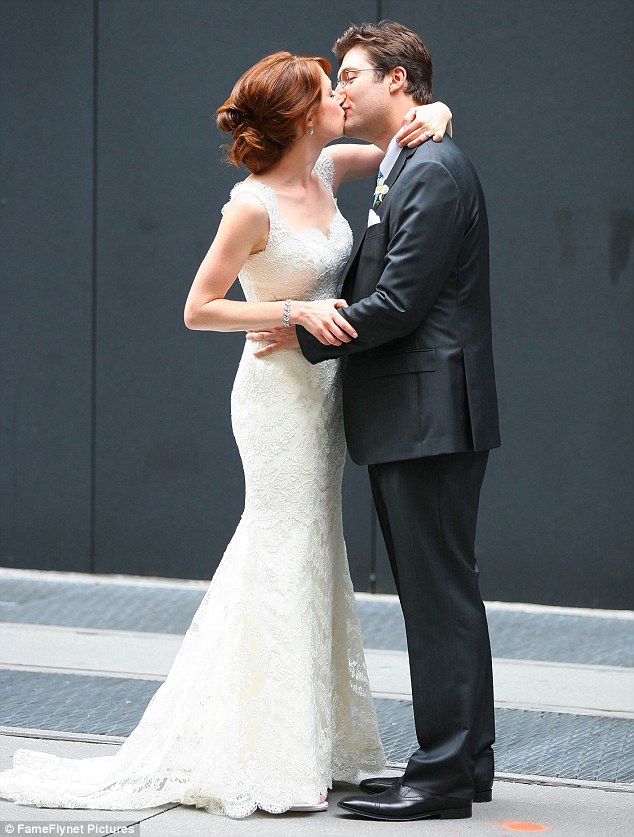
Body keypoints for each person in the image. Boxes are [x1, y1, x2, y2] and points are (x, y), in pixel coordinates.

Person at [0, 51, 452, 818]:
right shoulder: (250, 206)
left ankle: (316, 740)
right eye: (327, 88)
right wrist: (290, 311)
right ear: (306, 115)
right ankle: (272, 754)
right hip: (276, 396)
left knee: (317, 550)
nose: (342, 94)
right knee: (280, 546)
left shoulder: (330, 169)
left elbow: (405, 142)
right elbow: (198, 307)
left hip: (325, 394)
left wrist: (439, 114)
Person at [257, 21, 501, 823]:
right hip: (421, 412)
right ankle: (463, 763)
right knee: (444, 591)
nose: (340, 89)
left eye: (353, 74)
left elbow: (398, 303)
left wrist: (298, 332)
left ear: (399, 82)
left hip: (428, 412)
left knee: (437, 597)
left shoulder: (432, 168)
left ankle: (440, 775)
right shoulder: (409, 159)